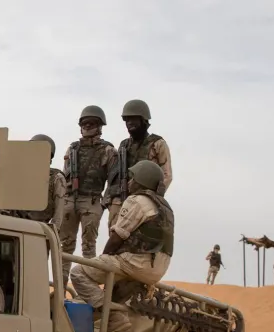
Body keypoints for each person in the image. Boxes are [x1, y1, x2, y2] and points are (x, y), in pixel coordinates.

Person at [70, 160, 173, 332]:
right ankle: (113, 326)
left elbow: (118, 237)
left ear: (143, 181)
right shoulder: (166, 208)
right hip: (156, 271)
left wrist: (102, 260)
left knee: (78, 272)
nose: (129, 182)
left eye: (133, 178)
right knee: (113, 292)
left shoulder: (137, 200)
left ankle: (114, 319)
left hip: (135, 262)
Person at [59, 105, 117, 286]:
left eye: (92, 123)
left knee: (89, 248)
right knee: (65, 246)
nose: (87, 126)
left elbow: (113, 181)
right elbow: (64, 176)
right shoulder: (73, 149)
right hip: (70, 199)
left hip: (92, 200)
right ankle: (60, 288)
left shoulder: (108, 150)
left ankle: (87, 290)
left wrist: (104, 203)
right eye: (84, 123)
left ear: (100, 126)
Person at [106, 99, 172, 228]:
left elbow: (166, 175)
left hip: (144, 199)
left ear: (144, 120)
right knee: (115, 233)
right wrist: (110, 199)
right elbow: (115, 175)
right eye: (127, 120)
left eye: (134, 119)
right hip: (121, 199)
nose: (130, 123)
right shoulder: (124, 145)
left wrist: (153, 198)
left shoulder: (158, 144)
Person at [11, 134, 67, 228]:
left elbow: (58, 213)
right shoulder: (19, 174)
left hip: (37, 228)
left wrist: (52, 231)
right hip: (13, 225)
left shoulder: (56, 178)